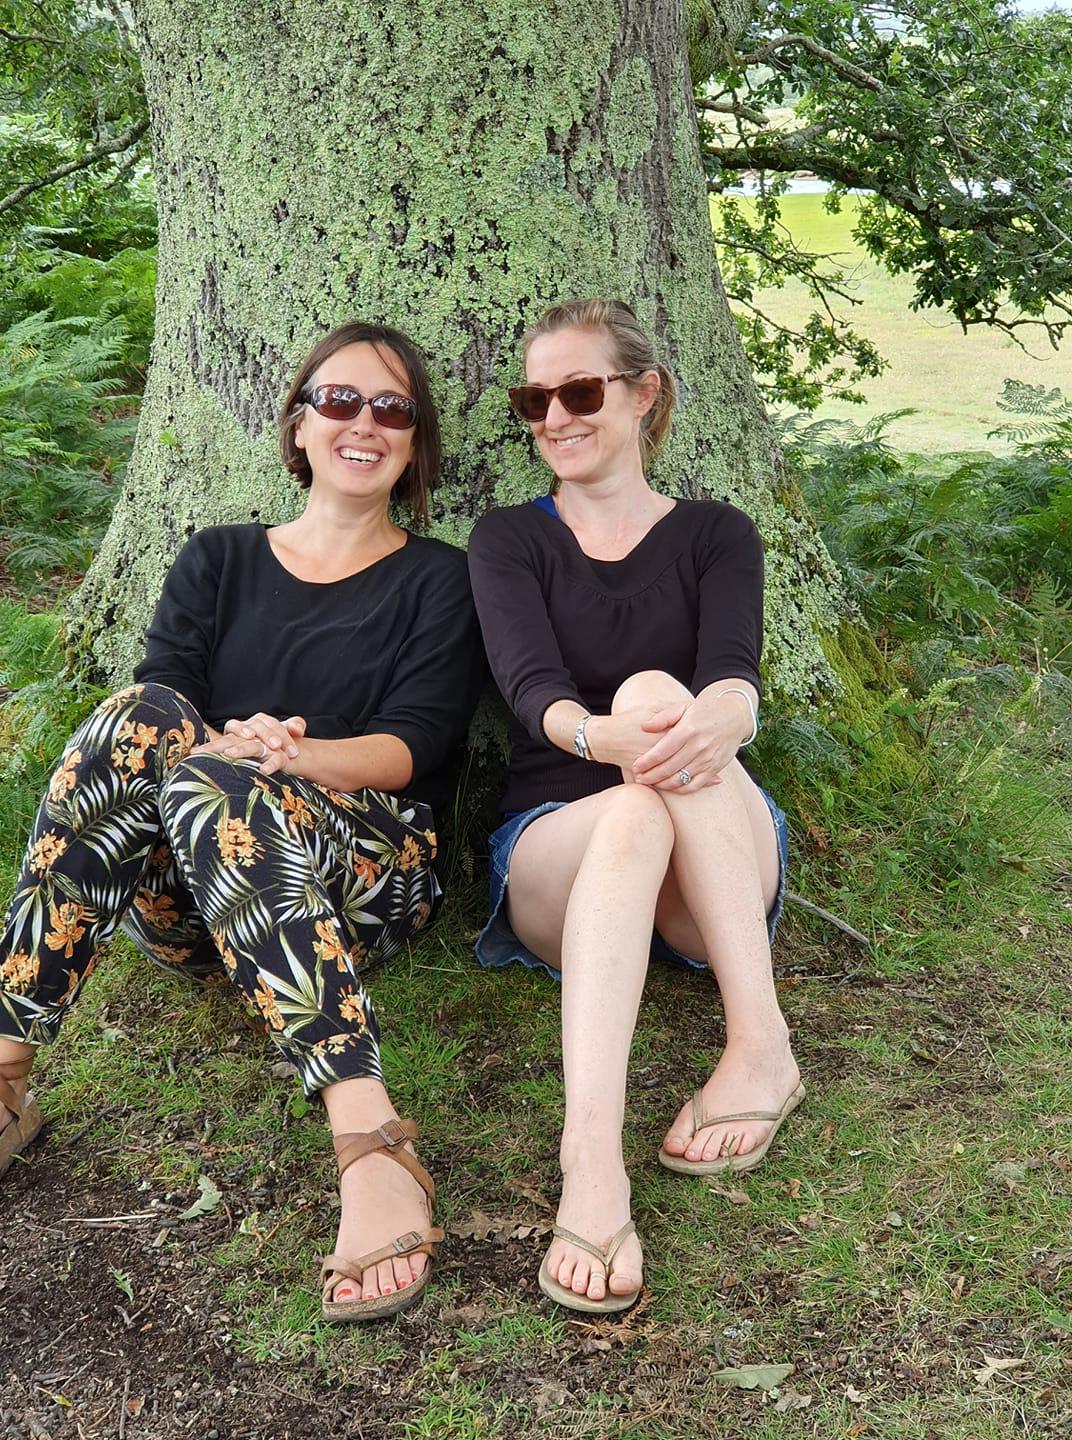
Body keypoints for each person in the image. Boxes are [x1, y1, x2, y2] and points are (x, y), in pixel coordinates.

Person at [0, 321, 485, 1323]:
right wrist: (235, 750)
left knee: (222, 784)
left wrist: (289, 757)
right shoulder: (218, 558)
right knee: (141, 722)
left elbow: (414, 745)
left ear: (415, 443)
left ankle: (371, 1141)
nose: (364, 423)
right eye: (339, 400)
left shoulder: (439, 579)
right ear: (299, 423)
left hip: (363, 870)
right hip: (195, 898)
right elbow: (161, 711)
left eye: (392, 409)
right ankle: (6, 1069)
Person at [467, 298, 802, 1315]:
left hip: (713, 875)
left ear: (643, 392)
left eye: (579, 391)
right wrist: (593, 739)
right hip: (567, 856)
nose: (554, 417)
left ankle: (760, 1046)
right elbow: (530, 691)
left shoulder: (713, 533)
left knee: (665, 694)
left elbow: (733, 676)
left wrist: (720, 715)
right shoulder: (507, 540)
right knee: (629, 809)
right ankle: (591, 1161)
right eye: (535, 398)